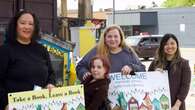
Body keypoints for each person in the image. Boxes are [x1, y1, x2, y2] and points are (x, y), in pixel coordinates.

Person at [0, 10, 55, 109]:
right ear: (15, 26)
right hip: (14, 106)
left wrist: (51, 84)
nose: (27, 27)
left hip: (40, 105)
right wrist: (5, 104)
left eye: (31, 24)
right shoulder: (5, 50)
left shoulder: (41, 49)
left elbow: (51, 73)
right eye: (23, 23)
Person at [76, 25, 145, 81]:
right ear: (105, 38)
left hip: (124, 94)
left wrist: (131, 67)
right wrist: (84, 73)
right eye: (109, 36)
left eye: (116, 36)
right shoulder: (97, 50)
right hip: (100, 93)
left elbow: (142, 69)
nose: (113, 39)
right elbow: (80, 66)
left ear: (121, 38)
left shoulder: (128, 52)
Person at [148, 33, 191, 110]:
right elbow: (147, 82)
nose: (170, 46)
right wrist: (154, 74)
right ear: (162, 46)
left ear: (177, 45)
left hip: (176, 106)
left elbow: (185, 87)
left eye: (172, 43)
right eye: (166, 44)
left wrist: (177, 105)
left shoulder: (184, 64)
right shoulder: (155, 63)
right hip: (158, 105)